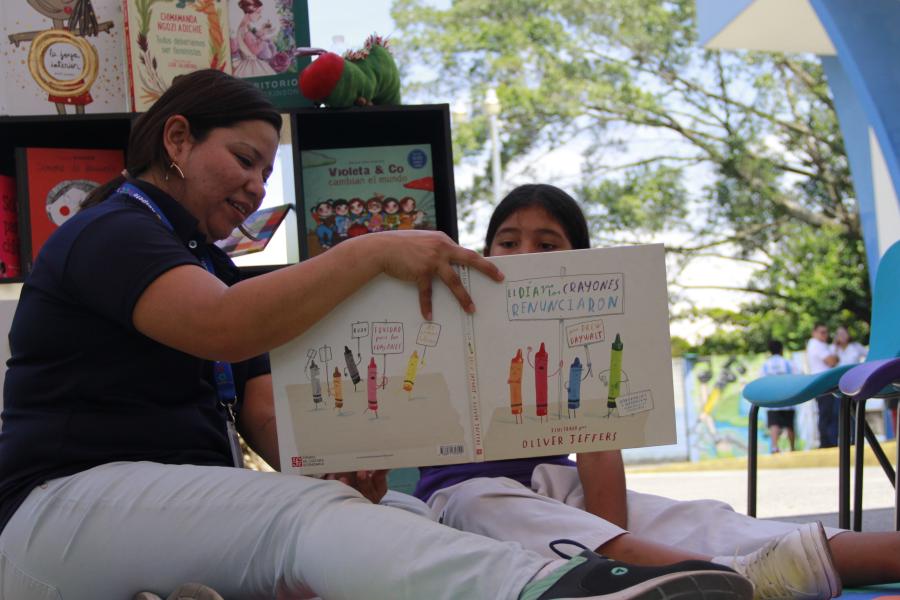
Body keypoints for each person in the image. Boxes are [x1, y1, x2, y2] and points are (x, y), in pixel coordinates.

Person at [0, 71, 752, 600]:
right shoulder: (114, 232)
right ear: (176, 138)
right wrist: (368, 252)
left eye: (268, 170)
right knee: (302, 519)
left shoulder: (204, 263)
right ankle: (555, 589)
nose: (259, 186)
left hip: (144, 515)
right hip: (57, 511)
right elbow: (223, 330)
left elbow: (266, 414)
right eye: (245, 159)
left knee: (397, 514)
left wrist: (341, 467)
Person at [410, 183, 900, 600]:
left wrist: (615, 537)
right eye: (508, 241)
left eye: (546, 244)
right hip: (461, 494)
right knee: (484, 505)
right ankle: (731, 578)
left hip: (551, 482)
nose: (523, 256)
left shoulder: (587, 334)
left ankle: (878, 553)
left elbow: (599, 459)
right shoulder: (453, 320)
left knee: (697, 519)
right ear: (486, 251)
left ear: (576, 261)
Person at [760, 340, 797, 452]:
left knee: (774, 424)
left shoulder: (766, 365)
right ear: (781, 349)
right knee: (789, 424)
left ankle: (774, 447)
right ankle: (792, 448)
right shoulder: (787, 363)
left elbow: (762, 381)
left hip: (772, 399)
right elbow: (796, 377)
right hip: (787, 398)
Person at [807, 323, 840, 447]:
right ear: (814, 333)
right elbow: (832, 361)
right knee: (827, 414)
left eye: (826, 332)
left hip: (824, 383)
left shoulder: (820, 345)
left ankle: (828, 442)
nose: (825, 335)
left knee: (829, 414)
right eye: (822, 332)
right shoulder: (817, 344)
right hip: (824, 384)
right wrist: (835, 356)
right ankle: (827, 443)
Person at [232, 0, 277, 78]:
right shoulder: (244, 29)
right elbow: (255, 50)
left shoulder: (246, 27)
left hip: (250, 62)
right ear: (248, 12)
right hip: (250, 64)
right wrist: (263, 38)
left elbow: (252, 41)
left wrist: (262, 31)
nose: (260, 16)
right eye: (258, 12)